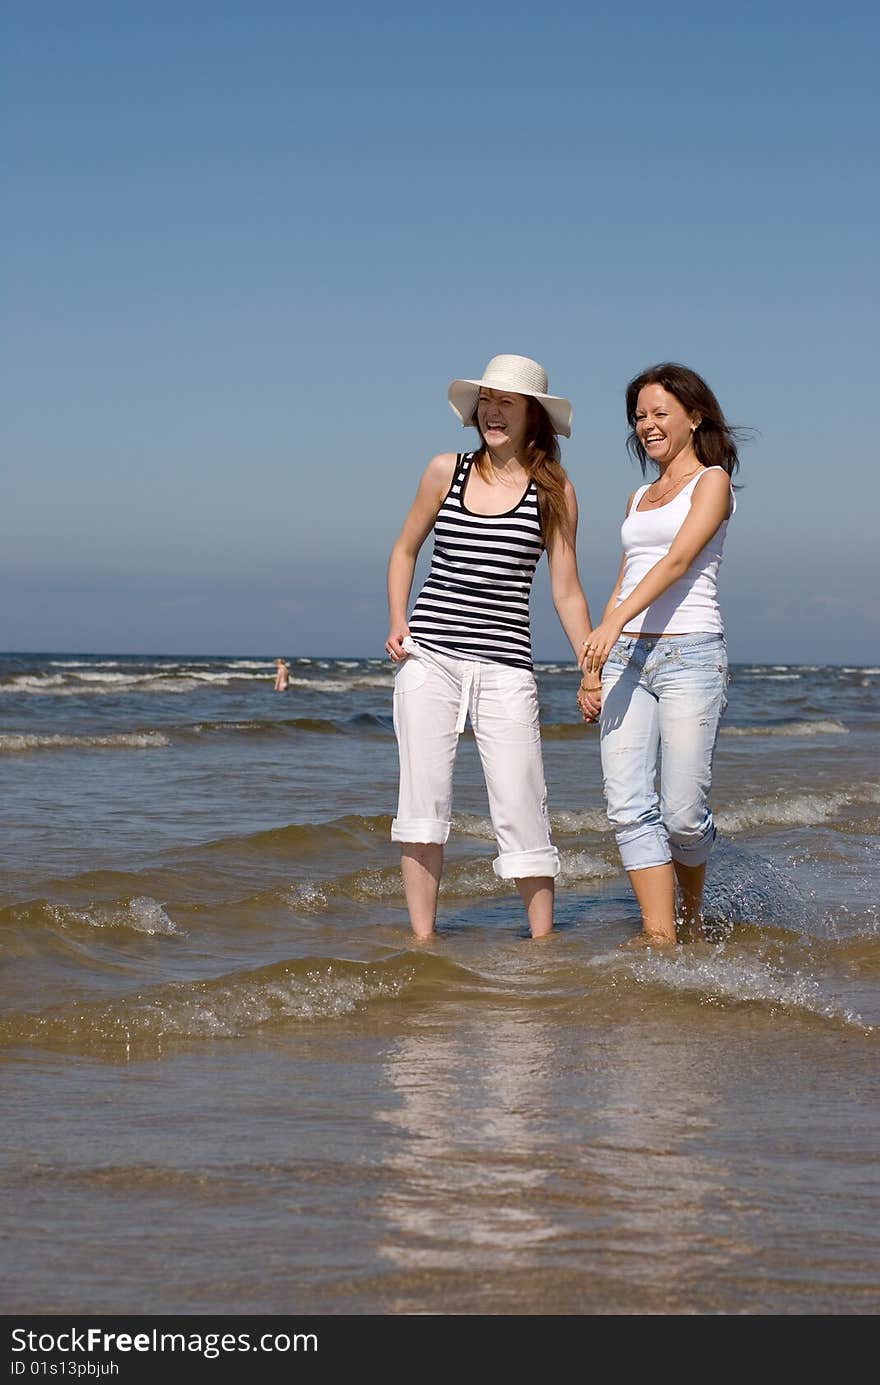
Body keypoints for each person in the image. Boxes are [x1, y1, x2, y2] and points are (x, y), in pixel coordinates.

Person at [386, 354, 599, 940]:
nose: (493, 412)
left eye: (507, 402)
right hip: (430, 659)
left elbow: (567, 590)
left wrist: (591, 669)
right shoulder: (444, 470)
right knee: (422, 804)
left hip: (506, 667)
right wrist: (397, 620)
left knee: (521, 801)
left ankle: (542, 946)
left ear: (534, 416)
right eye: (487, 400)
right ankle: (424, 944)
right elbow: (405, 548)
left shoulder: (554, 492)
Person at [577, 362, 740, 948]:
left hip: (691, 658)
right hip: (626, 658)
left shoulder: (713, 482)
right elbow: (628, 578)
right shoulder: (639, 495)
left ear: (694, 417)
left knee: (681, 814)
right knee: (626, 804)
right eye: (639, 416)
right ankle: (659, 932)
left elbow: (674, 564)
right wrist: (596, 660)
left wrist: (612, 623)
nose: (647, 424)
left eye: (659, 413)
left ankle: (691, 914)